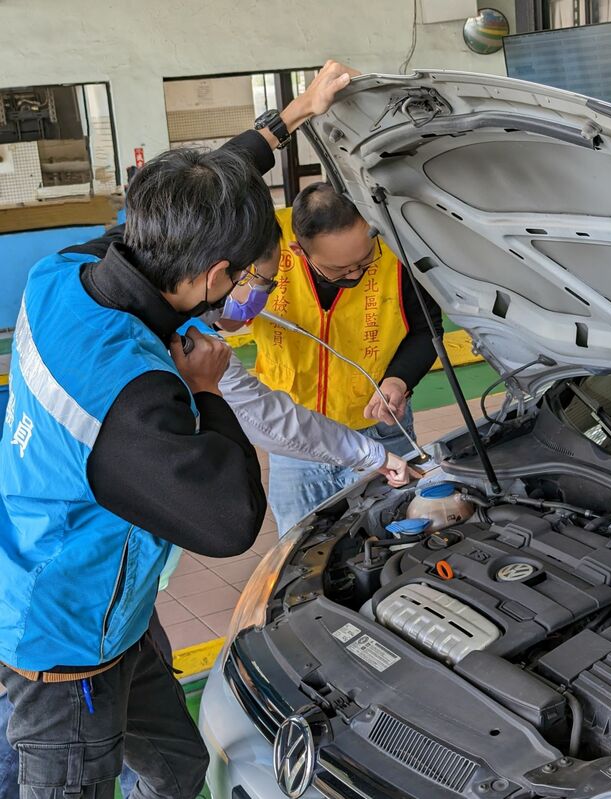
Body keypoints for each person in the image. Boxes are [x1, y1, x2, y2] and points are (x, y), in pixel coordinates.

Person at [0, 61, 358, 799]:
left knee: (177, 768)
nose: (244, 294)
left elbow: (204, 187)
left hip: (113, 613)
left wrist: (295, 115)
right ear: (211, 274)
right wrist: (208, 386)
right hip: (64, 647)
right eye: (243, 280)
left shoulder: (67, 271)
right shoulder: (135, 397)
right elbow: (230, 519)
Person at [245, 183, 444, 534]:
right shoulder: (264, 249)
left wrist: (398, 381)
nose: (354, 275)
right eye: (339, 269)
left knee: (391, 535)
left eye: (364, 262)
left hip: (378, 430)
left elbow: (427, 330)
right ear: (299, 251)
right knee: (299, 544)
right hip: (296, 437)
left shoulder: (395, 248)